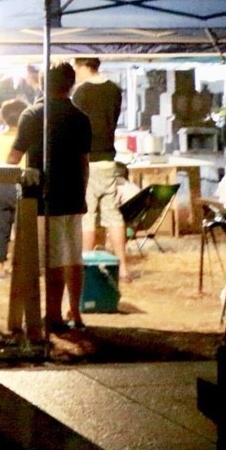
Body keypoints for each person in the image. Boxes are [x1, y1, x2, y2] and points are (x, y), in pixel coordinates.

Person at [7, 62, 92, 334]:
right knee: (73, 256)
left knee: (54, 259)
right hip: (74, 195)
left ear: (43, 82)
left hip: (44, 197)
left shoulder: (32, 115)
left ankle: (53, 316)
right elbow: (84, 162)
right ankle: (75, 312)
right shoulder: (80, 117)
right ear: (71, 84)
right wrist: (82, 193)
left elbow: (14, 157)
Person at [72, 56, 129, 282]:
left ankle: (85, 265)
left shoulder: (81, 92)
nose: (75, 71)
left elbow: (75, 127)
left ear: (83, 65)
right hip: (109, 159)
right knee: (113, 215)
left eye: (76, 66)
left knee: (87, 215)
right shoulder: (114, 90)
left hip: (87, 159)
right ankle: (123, 267)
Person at [0, 97, 28, 275]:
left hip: (2, 186)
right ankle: (17, 264)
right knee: (22, 229)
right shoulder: (28, 140)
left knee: (1, 227)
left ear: (3, 118)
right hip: (22, 185)